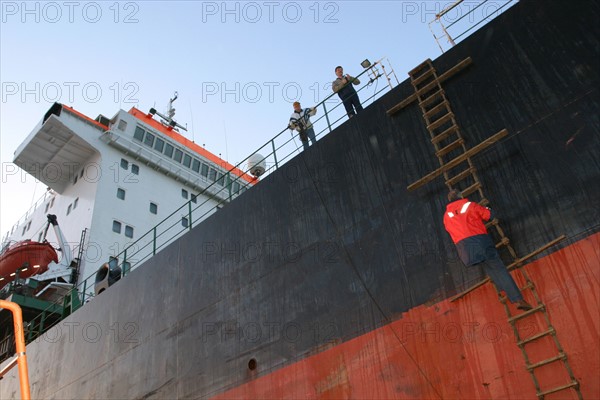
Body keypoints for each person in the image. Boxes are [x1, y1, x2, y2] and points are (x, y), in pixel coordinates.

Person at [443, 189, 533, 311]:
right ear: (461, 196)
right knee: (499, 269)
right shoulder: (469, 205)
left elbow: (451, 230)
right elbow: (489, 215)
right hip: (480, 243)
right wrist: (488, 207)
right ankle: (518, 300)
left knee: (490, 268)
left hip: (465, 250)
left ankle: (505, 290)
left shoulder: (446, 216)